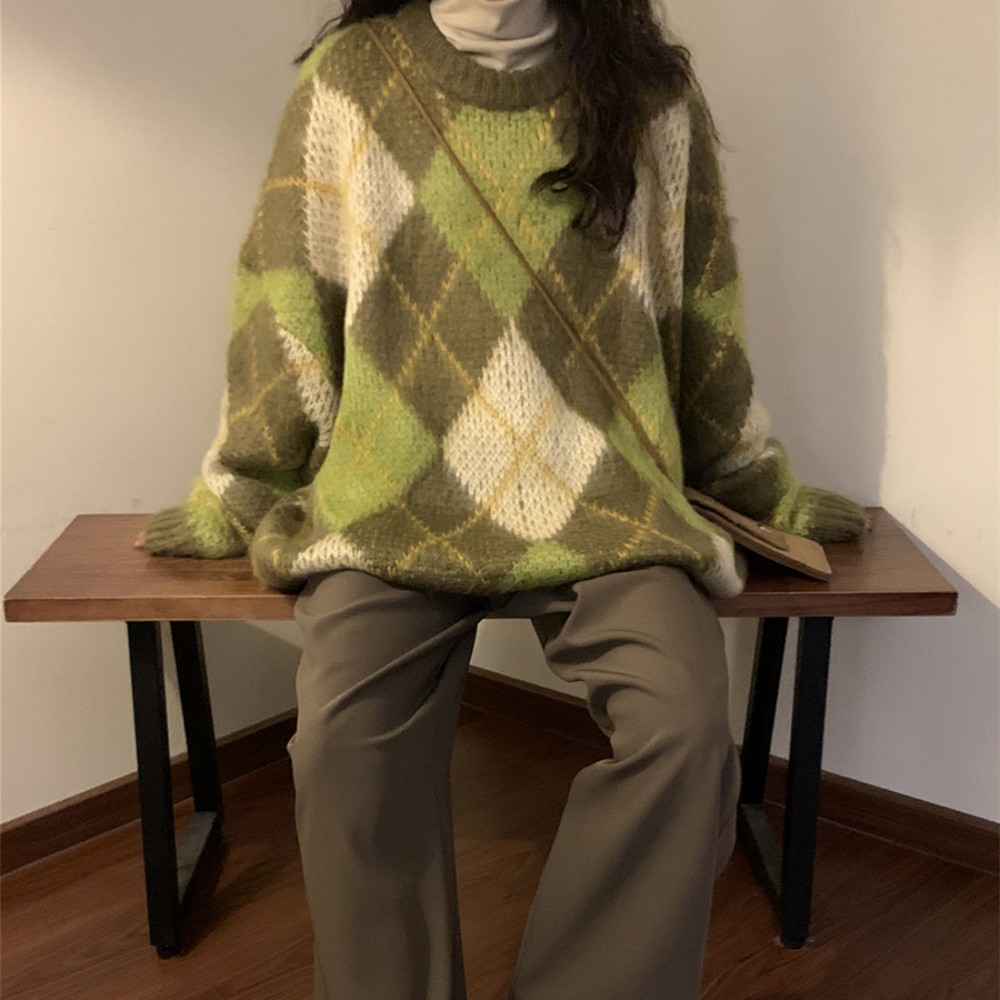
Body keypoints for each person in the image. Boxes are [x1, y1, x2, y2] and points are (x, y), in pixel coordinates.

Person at [140, 1, 868, 997]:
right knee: (344, 743)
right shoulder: (350, 80)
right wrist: (238, 489)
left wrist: (755, 486)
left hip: (606, 500)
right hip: (393, 500)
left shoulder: (651, 94)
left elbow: (698, 315)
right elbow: (288, 302)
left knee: (685, 733)